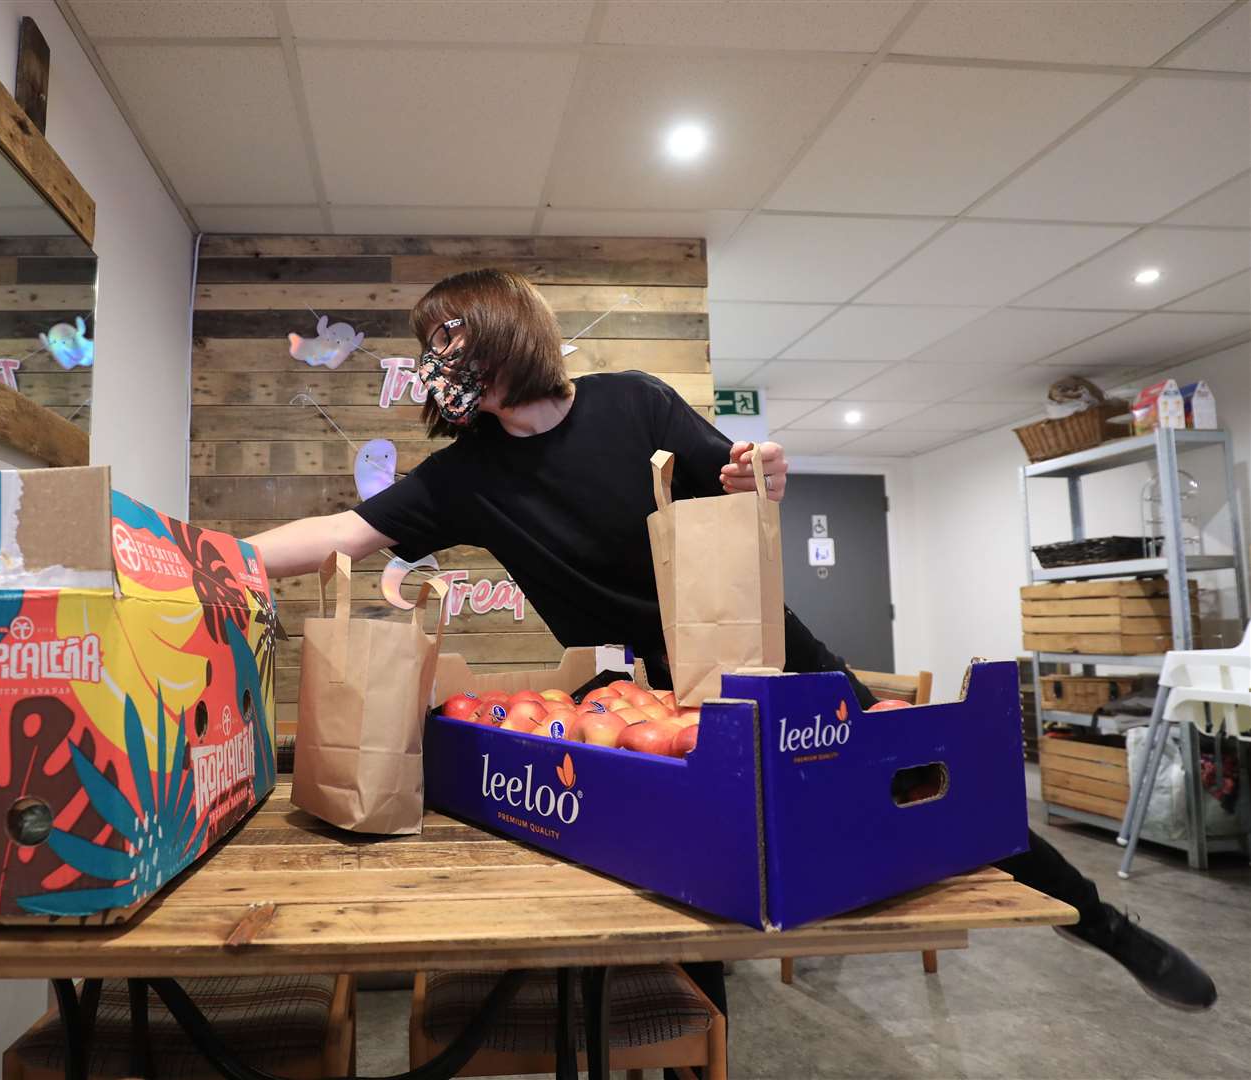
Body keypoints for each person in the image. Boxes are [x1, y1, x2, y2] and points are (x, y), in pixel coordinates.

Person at [249, 269, 1218, 1015]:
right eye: (429, 344)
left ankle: (1100, 923)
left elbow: (741, 480)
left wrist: (764, 464)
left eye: (451, 335)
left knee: (927, 777)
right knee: (687, 873)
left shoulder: (631, 402)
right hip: (624, 694)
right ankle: (698, 1041)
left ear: (508, 334)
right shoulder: (462, 475)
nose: (439, 356)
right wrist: (214, 557)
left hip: (760, 653)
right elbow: (343, 534)